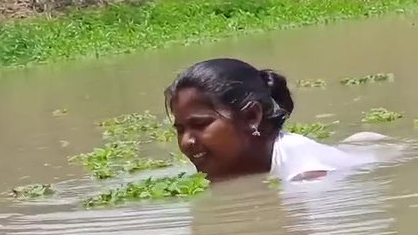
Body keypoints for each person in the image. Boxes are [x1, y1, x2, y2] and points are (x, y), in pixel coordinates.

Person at [165, 57, 385, 183]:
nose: (186, 142)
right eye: (180, 129)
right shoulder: (233, 165)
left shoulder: (306, 175)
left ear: (252, 117)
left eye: (200, 125)